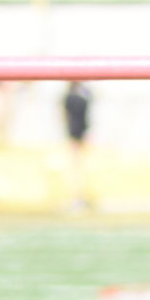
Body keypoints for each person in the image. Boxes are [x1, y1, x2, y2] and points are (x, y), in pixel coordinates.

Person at [60, 80, 92, 213]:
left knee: (79, 165)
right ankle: (76, 197)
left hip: (79, 133)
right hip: (76, 134)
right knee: (76, 165)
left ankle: (78, 197)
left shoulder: (79, 94)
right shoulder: (74, 95)